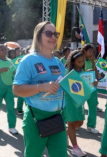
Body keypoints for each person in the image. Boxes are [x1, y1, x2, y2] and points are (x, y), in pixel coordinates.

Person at [13, 21, 67, 157]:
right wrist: (41, 87)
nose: (53, 37)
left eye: (56, 34)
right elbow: (16, 89)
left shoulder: (59, 62)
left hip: (58, 116)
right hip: (35, 116)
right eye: (49, 33)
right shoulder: (28, 60)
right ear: (38, 36)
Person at [65, 50, 92, 156]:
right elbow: (63, 84)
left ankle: (66, 135)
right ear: (73, 62)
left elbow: (88, 87)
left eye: (83, 61)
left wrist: (93, 83)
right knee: (71, 123)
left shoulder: (84, 72)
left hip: (79, 101)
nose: (81, 63)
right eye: (79, 62)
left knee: (80, 122)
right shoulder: (68, 72)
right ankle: (75, 148)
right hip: (69, 100)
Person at [0, 44, 18, 134]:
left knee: (11, 107)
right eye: (2, 50)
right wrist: (0, 71)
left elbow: (14, 71)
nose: (4, 51)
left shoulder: (10, 61)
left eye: (5, 49)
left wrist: (16, 71)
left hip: (9, 87)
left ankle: (12, 126)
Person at [82, 44, 100, 134]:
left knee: (92, 107)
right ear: (84, 51)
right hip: (82, 87)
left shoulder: (92, 60)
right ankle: (74, 123)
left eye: (93, 52)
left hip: (92, 87)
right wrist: (87, 72)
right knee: (79, 106)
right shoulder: (80, 59)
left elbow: (96, 73)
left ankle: (91, 126)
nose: (92, 53)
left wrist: (93, 62)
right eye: (90, 51)